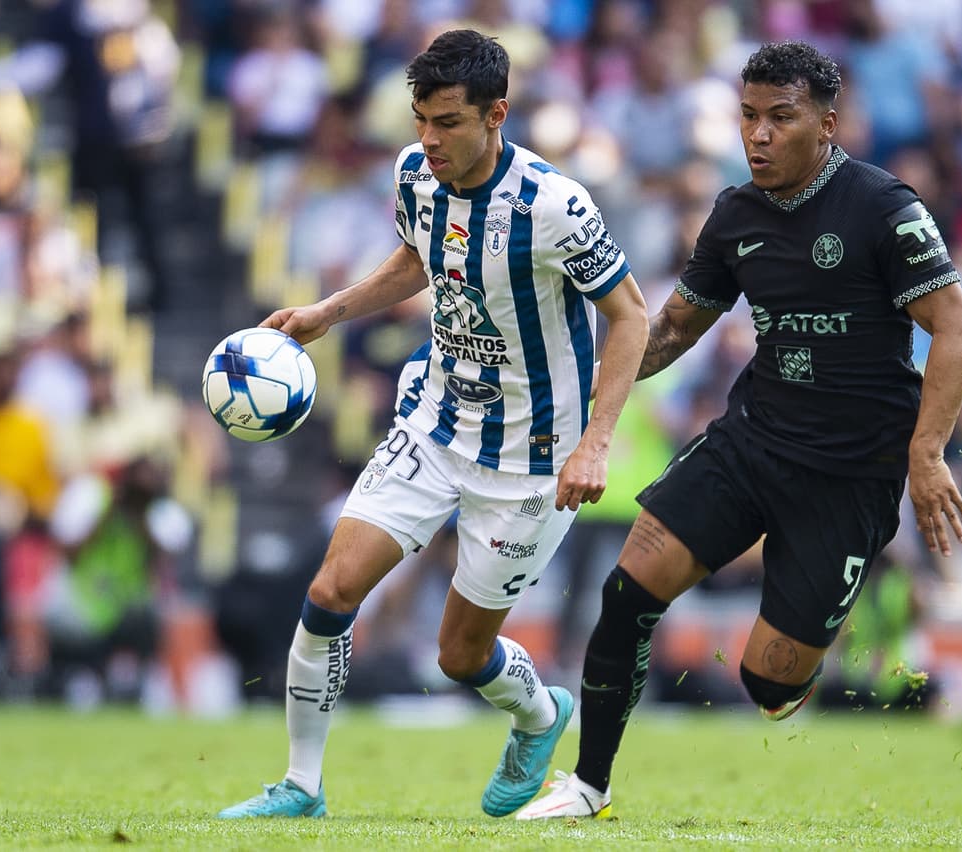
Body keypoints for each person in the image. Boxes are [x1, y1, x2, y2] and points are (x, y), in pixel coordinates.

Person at [517, 40, 962, 820]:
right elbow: (670, 331)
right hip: (753, 442)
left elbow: (956, 328)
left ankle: (805, 623)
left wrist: (926, 453)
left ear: (826, 125)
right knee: (628, 590)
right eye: (748, 117)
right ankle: (588, 785)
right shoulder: (734, 215)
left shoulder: (884, 208)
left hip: (849, 474)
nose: (758, 135)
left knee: (767, 682)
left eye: (780, 118)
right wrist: (581, 396)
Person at [217, 29, 648, 819]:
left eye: (447, 121)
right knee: (331, 589)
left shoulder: (554, 204)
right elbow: (418, 257)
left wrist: (597, 440)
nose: (428, 138)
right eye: (420, 118)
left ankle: (539, 716)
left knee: (460, 655)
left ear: (496, 115)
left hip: (532, 457)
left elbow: (630, 316)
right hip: (437, 421)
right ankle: (300, 786)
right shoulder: (417, 174)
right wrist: (327, 312)